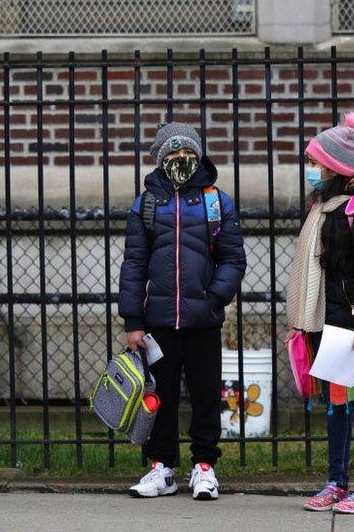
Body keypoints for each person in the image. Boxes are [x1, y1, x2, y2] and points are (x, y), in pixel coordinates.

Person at [119, 121, 246, 500]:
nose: (181, 159)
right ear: (160, 158)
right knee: (161, 397)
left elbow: (233, 260)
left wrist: (212, 299)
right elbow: (133, 265)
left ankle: (204, 467)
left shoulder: (215, 201)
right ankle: (162, 467)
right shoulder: (146, 204)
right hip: (158, 322)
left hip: (202, 319)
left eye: (189, 152)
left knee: (206, 394)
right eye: (173, 153)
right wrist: (133, 320)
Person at [286, 113, 354, 514]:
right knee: (337, 406)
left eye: (317, 162)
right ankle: (337, 481)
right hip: (327, 320)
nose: (312, 169)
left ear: (337, 165)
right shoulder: (324, 203)